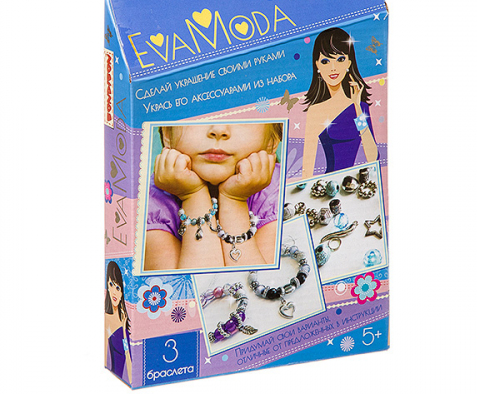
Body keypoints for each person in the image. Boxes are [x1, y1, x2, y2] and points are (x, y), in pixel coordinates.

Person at [145, 123, 282, 270]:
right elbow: (201, 283)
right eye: (200, 116)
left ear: (272, 141)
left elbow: (259, 282)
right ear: (167, 133)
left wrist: (234, 200)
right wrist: (193, 196)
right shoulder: (148, 204)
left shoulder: (283, 190)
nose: (218, 130)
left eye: (241, 120)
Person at [302, 28, 378, 178]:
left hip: (356, 184)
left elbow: (373, 156)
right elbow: (307, 169)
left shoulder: (360, 107)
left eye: (340, 59)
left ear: (349, 62)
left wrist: (357, 107)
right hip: (329, 185)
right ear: (317, 65)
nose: (333, 68)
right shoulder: (316, 111)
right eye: (325, 61)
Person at [105, 261, 132, 384]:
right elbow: (106, 360)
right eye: (111, 284)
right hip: (111, 379)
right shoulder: (107, 318)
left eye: (118, 287)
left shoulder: (124, 324)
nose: (114, 292)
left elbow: (128, 356)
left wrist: (124, 330)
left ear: (122, 292)